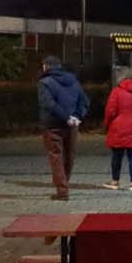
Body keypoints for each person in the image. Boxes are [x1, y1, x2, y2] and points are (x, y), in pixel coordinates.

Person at [37, 56, 89, 201]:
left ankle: (62, 190)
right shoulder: (74, 81)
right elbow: (84, 101)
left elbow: (48, 104)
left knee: (56, 156)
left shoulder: (44, 82)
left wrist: (66, 117)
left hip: (52, 125)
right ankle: (65, 183)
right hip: (72, 125)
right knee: (69, 155)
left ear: (46, 66)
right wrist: (76, 116)